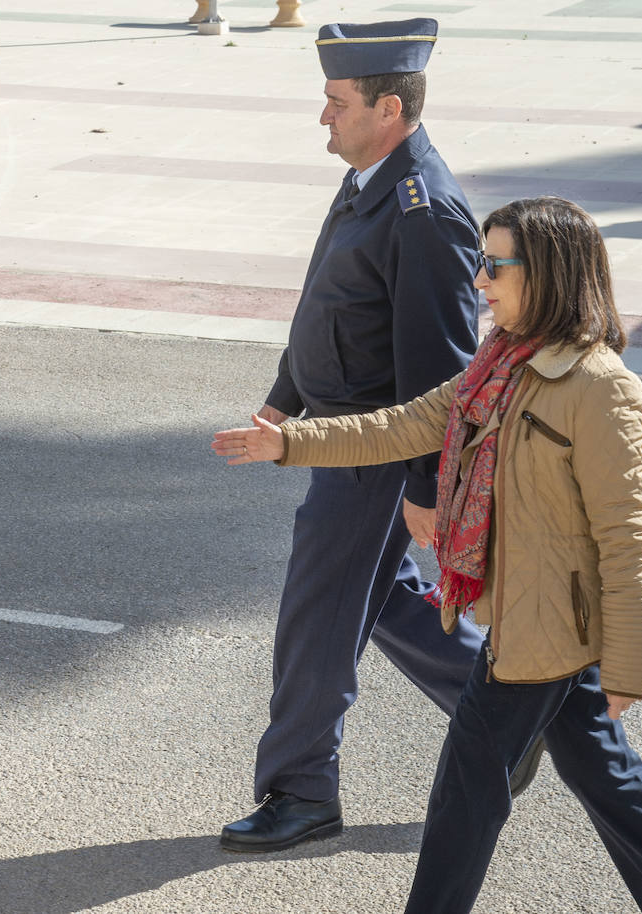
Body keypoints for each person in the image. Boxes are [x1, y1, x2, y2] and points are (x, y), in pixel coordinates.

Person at [213, 195, 642, 912]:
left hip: (542, 638)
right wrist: (289, 442)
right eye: (482, 262)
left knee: (464, 802)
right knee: (612, 788)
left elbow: (628, 540)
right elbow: (401, 425)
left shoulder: (601, 389)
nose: (480, 280)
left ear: (547, 274)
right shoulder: (498, 365)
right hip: (526, 621)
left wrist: (633, 664)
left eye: (495, 265)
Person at [215, 18, 544, 854]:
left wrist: (425, 493)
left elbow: (442, 379)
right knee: (390, 603)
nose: (323, 117)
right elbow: (326, 303)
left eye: (336, 102)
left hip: (374, 459)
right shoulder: (370, 177)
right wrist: (283, 402)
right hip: (336, 435)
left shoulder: (425, 213)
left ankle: (300, 792)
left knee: (315, 619)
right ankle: (514, 717)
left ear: (388, 107)